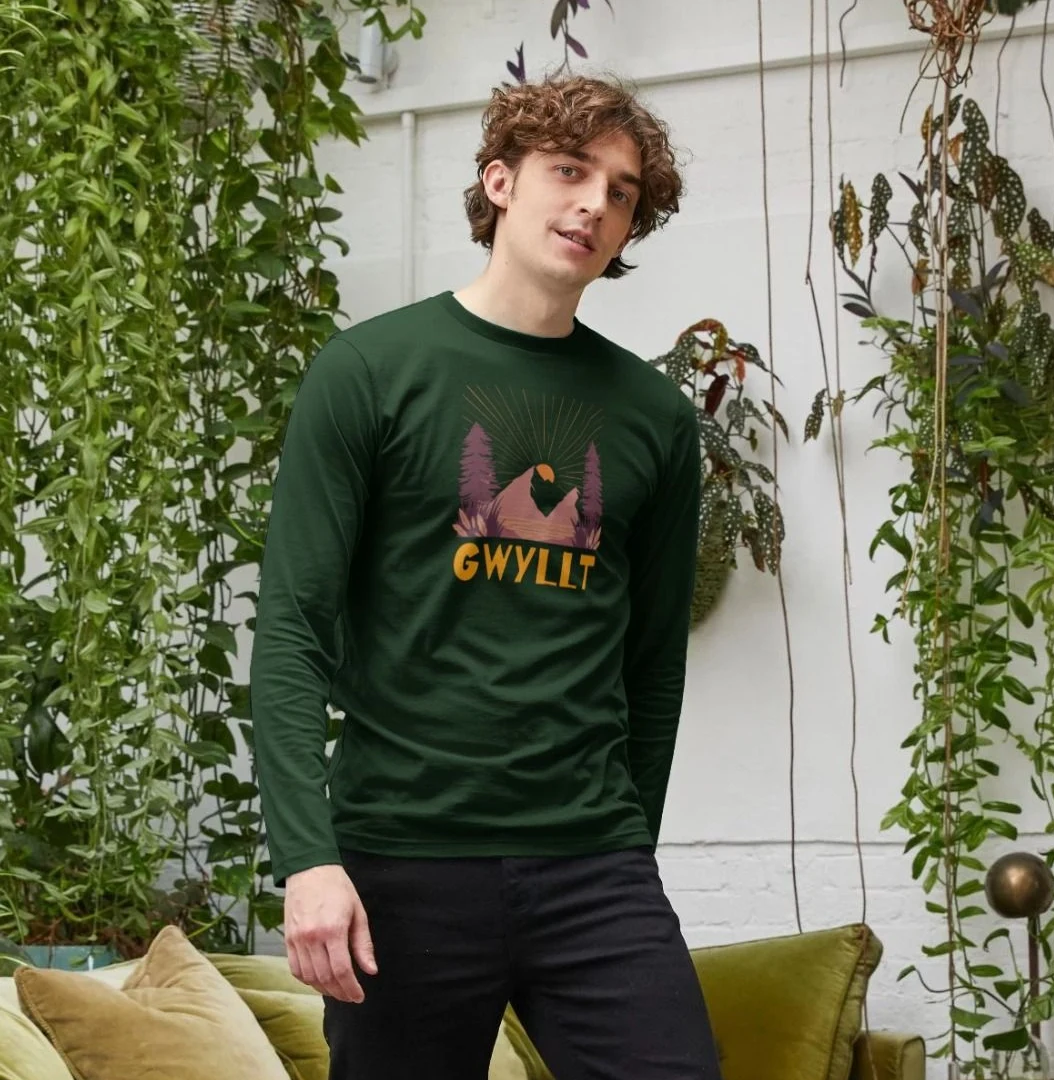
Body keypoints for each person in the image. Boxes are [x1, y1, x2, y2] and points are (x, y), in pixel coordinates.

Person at [251, 72, 722, 1080]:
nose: (595, 204)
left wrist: (630, 842)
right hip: (401, 862)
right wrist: (307, 858)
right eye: (570, 171)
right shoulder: (369, 372)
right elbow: (292, 628)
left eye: (622, 191)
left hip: (593, 866)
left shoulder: (655, 418)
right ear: (500, 183)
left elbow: (653, 663)